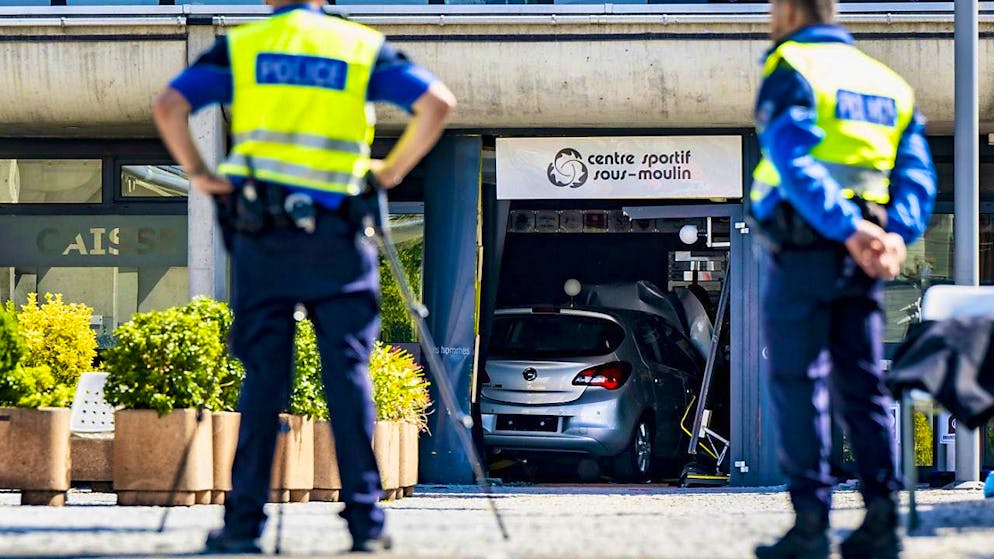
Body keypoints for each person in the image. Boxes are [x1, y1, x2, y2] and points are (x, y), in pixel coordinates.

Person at [152, 1, 455, 553]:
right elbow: (437, 102)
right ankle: (366, 522)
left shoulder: (245, 47)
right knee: (347, 372)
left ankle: (244, 524)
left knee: (264, 379)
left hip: (262, 237)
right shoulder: (359, 46)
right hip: (338, 236)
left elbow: (169, 104)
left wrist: (200, 173)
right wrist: (390, 172)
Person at [749, 1, 936, 558]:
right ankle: (882, 519)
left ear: (788, 9)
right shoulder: (887, 82)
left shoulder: (792, 65)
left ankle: (810, 525)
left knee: (797, 381)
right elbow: (917, 172)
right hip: (866, 256)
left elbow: (791, 157)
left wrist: (846, 227)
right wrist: (896, 234)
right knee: (861, 382)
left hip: (807, 248)